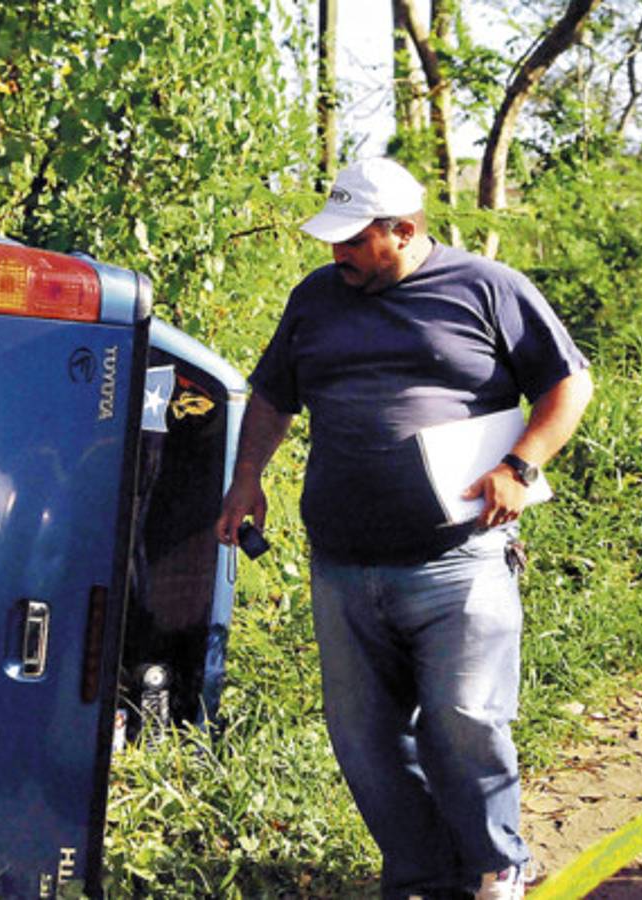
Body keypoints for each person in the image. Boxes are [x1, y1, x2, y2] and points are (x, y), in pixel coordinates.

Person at [215, 157, 594, 900]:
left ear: (404, 230)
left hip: (458, 557)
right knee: (364, 742)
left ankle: (495, 863)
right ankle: (422, 875)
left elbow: (567, 382)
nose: (338, 254)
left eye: (355, 241)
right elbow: (270, 396)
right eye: (333, 240)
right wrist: (245, 479)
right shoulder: (316, 298)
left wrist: (520, 466)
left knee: (465, 721)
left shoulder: (485, 288)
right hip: (343, 561)